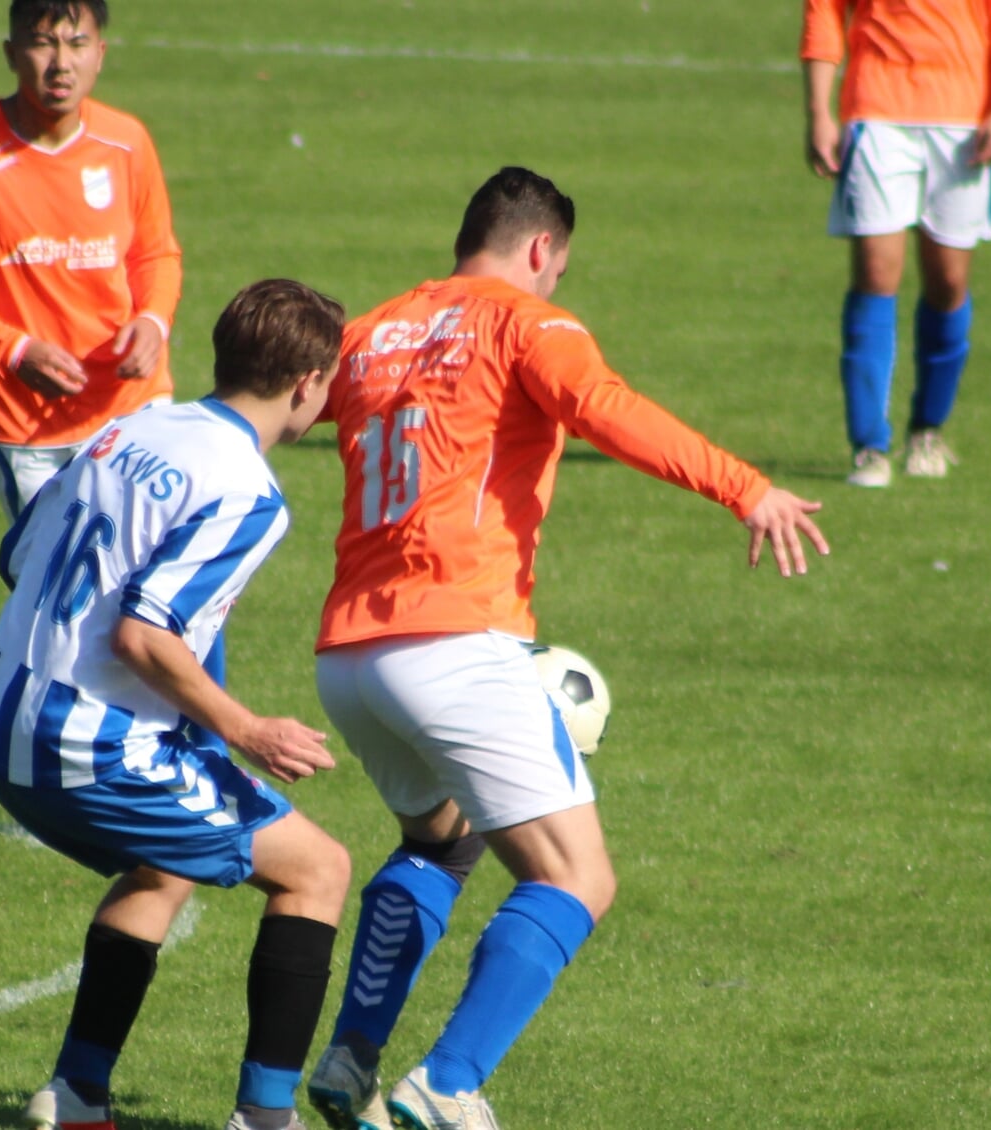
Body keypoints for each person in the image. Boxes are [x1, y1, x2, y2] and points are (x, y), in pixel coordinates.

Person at [300, 168, 830, 1130]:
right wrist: (744, 487)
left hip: (348, 656)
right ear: (541, 249)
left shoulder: (369, 331)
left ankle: (350, 1056)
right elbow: (608, 410)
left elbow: (287, 409)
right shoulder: (527, 322)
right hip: (453, 639)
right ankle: (446, 1083)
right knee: (577, 876)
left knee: (442, 840)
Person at [0, 279, 350, 1130]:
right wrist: (245, 727)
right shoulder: (249, 493)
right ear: (306, 387)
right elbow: (144, 637)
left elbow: (19, 553)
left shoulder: (129, 425)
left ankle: (75, 1096)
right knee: (317, 870)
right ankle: (264, 1120)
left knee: (162, 866)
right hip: (88, 747)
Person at [0, 0, 182, 525]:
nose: (60, 63)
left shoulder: (126, 142)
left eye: (76, 44)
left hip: (133, 407)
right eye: (42, 43)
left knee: (148, 585)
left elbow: (154, 252)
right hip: (25, 427)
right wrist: (14, 350)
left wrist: (153, 321)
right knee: (57, 595)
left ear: (100, 54)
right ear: (11, 53)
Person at [801, 0, 991, 487]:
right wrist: (818, 112)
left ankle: (927, 431)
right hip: (876, 109)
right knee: (874, 273)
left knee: (948, 282)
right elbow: (824, 13)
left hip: (964, 117)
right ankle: (869, 447)